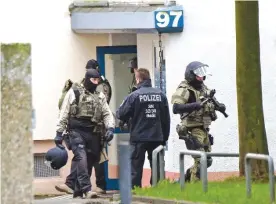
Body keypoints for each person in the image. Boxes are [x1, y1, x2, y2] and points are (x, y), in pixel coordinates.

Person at [54, 69, 115, 198]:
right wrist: (59, 133)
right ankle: (87, 189)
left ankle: (78, 190)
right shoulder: (74, 92)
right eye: (93, 80)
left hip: (93, 133)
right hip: (76, 132)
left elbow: (107, 113)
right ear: (87, 79)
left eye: (98, 80)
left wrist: (110, 128)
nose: (96, 83)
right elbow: (64, 112)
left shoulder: (100, 96)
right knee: (81, 156)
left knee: (91, 160)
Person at [171, 61, 226, 182]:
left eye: (202, 75)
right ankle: (195, 186)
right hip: (192, 129)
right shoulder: (185, 89)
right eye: (198, 76)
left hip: (204, 128)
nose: (201, 78)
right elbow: (176, 108)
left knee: (208, 161)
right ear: (191, 75)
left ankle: (184, 179)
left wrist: (220, 107)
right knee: (201, 160)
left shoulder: (204, 88)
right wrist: (194, 105)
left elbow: (212, 103)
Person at [116, 68, 170, 189]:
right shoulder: (161, 95)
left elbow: (121, 114)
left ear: (138, 79)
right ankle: (158, 191)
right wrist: (164, 137)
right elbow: (166, 119)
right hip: (157, 137)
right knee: (157, 167)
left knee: (135, 168)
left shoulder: (134, 96)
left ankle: (135, 194)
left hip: (138, 137)